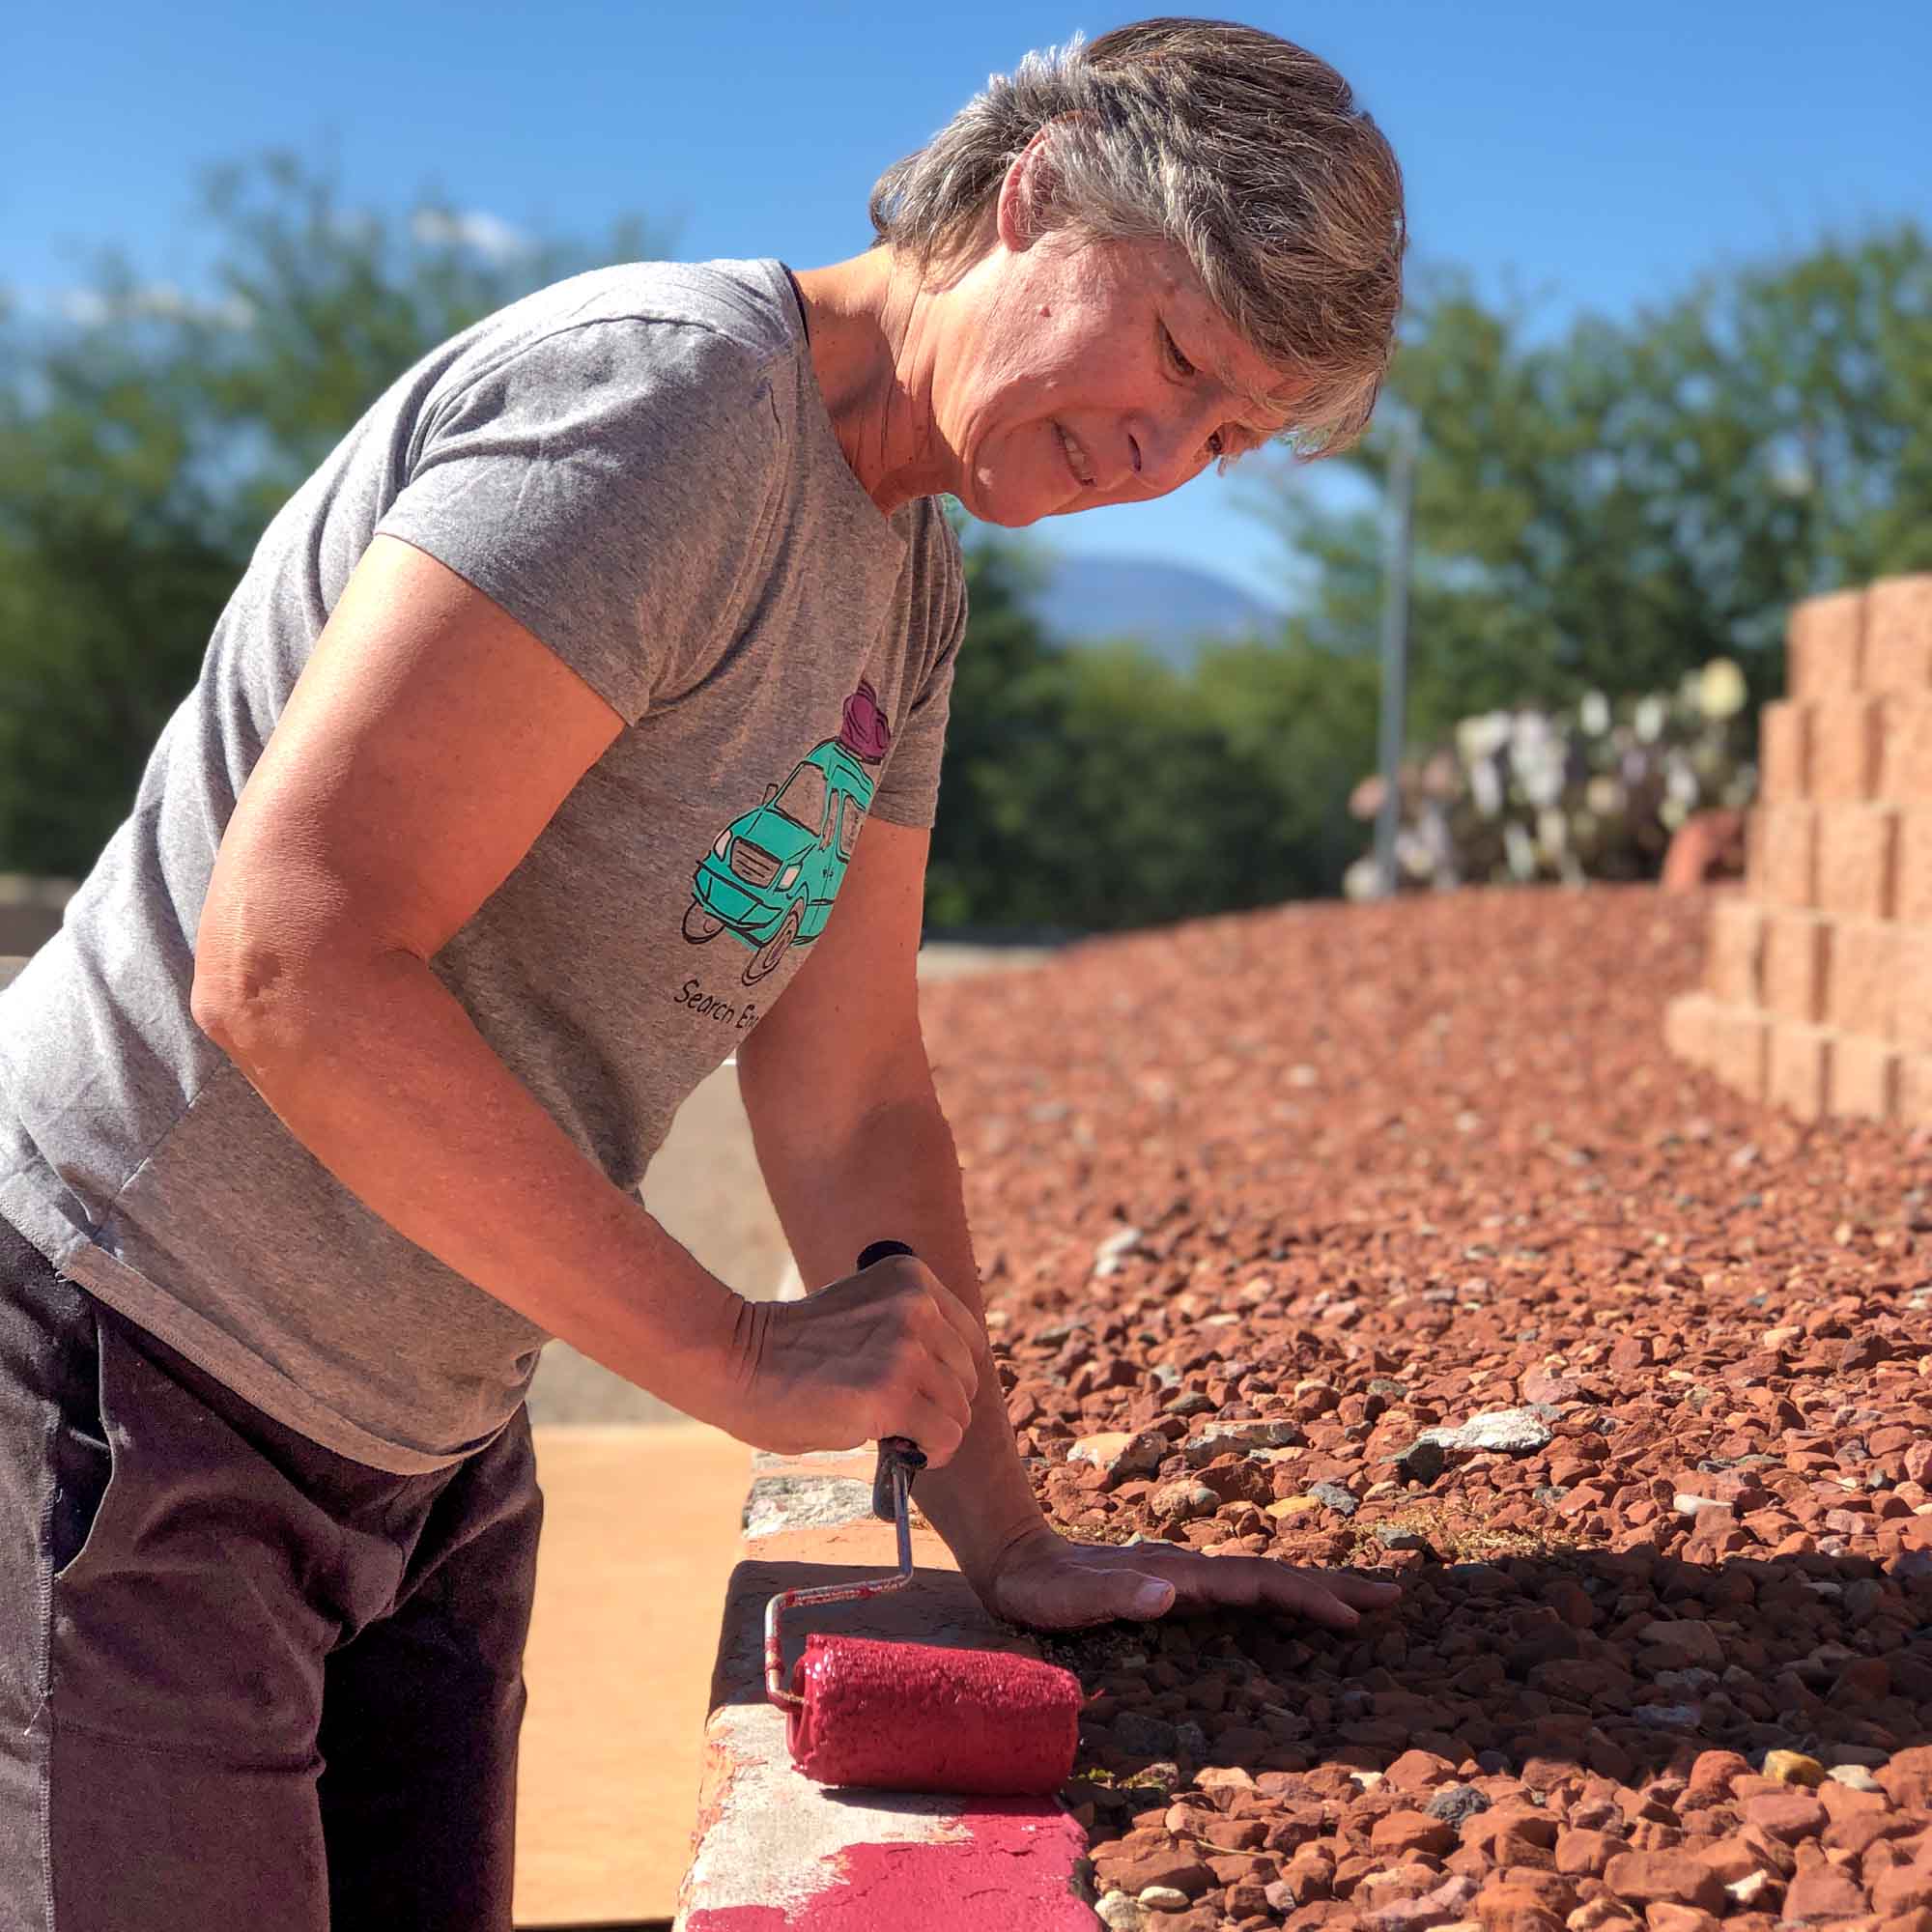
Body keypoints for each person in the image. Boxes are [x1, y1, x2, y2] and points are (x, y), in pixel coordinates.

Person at [0, 18, 1406, 1928]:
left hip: (421, 1447)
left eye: (1225, 435)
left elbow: (852, 1086)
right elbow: (294, 958)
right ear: (1036, 194)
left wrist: (1006, 1533)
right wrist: (727, 1354)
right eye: (1172, 356)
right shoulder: (661, 418)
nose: (1161, 455)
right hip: (125, 1372)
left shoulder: (905, 573)